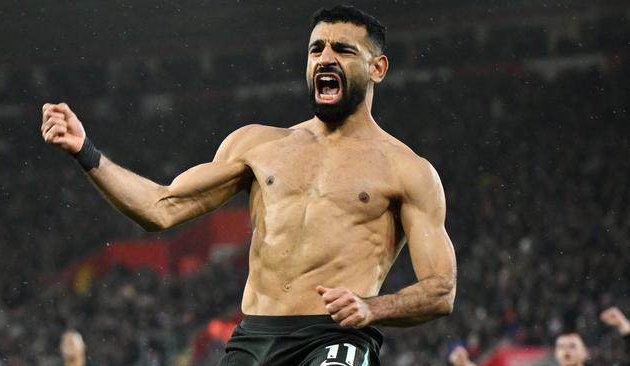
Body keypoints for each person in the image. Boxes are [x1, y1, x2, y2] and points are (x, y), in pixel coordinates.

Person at [41, 5, 457, 365]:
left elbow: (441, 289)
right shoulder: (257, 146)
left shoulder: (407, 170)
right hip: (255, 337)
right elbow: (160, 208)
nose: (325, 58)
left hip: (337, 337)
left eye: (343, 50)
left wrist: (373, 307)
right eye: (316, 49)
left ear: (377, 68)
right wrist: (86, 151)